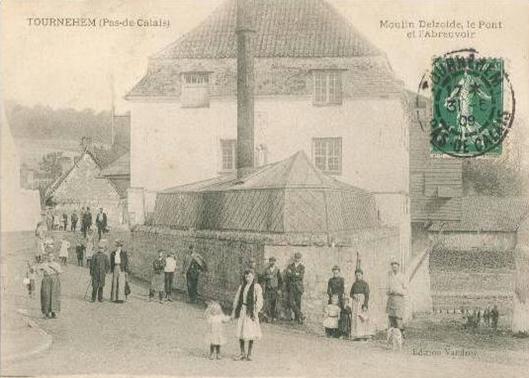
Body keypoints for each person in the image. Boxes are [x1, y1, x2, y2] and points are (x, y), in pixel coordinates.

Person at [231, 270, 263, 361]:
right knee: (241, 331)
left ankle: (249, 354)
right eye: (246, 277)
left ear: (253, 276)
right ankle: (242, 353)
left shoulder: (257, 287)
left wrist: (256, 310)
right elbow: (237, 298)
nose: (248, 278)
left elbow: (260, 299)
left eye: (249, 276)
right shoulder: (242, 287)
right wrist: (234, 310)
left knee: (251, 331)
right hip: (243, 310)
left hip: (251, 311)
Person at [386, 258, 408, 338]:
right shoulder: (389, 276)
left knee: (398, 318)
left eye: (396, 267)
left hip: (399, 299)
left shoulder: (402, 276)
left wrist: (398, 291)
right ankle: (394, 337)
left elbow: (406, 290)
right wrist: (388, 291)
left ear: (398, 267)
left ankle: (402, 333)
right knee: (391, 318)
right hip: (391, 298)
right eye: (393, 267)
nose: (394, 268)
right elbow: (387, 288)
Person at [38, 254, 62, 318]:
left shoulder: (57, 265)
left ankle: (54, 312)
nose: (50, 258)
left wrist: (55, 271)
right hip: (46, 280)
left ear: (53, 257)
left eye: (51, 256)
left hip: (55, 280)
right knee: (46, 295)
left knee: (54, 295)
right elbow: (37, 270)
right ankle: (46, 313)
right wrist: (41, 274)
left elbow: (60, 272)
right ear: (47, 257)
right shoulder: (44, 264)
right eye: (49, 256)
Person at [512, 245, 529, 337]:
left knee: (523, 310)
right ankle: (521, 329)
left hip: (523, 296)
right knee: (521, 310)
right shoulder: (520, 270)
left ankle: (522, 329)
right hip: (521, 295)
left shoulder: (524, 270)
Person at [350, 268, 371, 340]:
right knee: (355, 318)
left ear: (362, 275)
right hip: (355, 303)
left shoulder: (365, 284)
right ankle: (355, 335)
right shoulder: (354, 284)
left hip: (361, 302)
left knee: (361, 318)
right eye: (356, 275)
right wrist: (354, 295)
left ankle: (362, 335)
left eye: (359, 275)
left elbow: (367, 295)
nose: (358, 276)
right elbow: (351, 293)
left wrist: (365, 305)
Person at [261, 257, 282, 323]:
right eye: (270, 261)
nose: (272, 262)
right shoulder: (266, 269)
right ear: (269, 262)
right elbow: (262, 278)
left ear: (275, 262)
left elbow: (280, 280)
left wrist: (279, 289)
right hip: (268, 288)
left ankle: (273, 317)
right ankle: (268, 317)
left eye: (273, 261)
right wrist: (267, 277)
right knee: (267, 303)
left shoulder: (277, 269)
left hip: (275, 289)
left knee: (274, 303)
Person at [285, 252, 305, 324]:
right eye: (296, 258)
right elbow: (288, 274)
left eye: (298, 258)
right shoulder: (290, 266)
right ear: (294, 258)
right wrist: (296, 274)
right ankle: (301, 315)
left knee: (298, 302)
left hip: (298, 287)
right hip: (291, 286)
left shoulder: (302, 267)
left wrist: (292, 273)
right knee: (291, 302)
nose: (297, 259)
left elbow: (300, 276)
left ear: (300, 259)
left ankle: (298, 318)